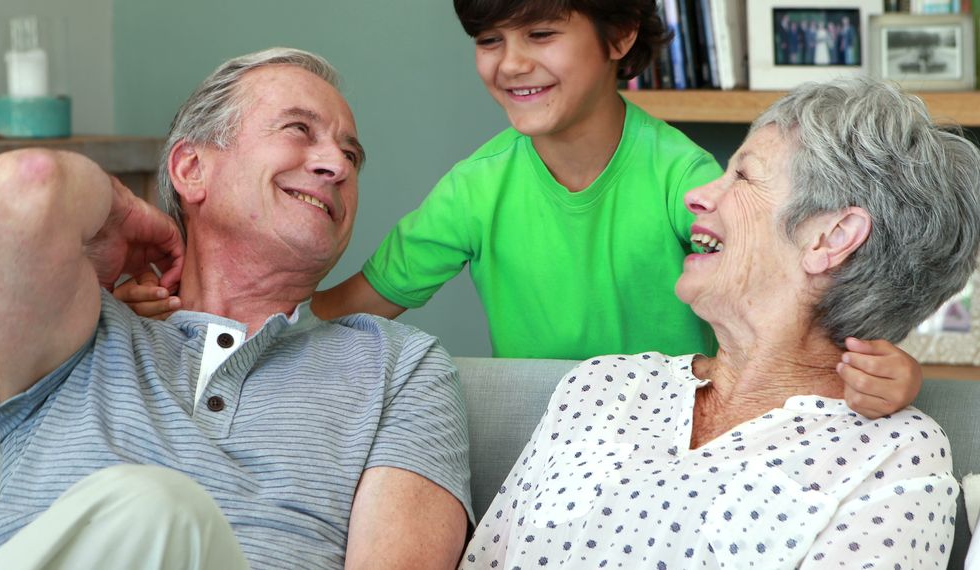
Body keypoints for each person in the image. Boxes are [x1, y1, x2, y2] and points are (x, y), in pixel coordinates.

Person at [118, 0, 922, 416]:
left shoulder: (688, 180)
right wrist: (191, 312)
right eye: (490, 39)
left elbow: (797, 313)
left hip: (678, 435)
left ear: (618, 37)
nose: (510, 64)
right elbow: (341, 308)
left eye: (539, 32)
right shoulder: (477, 188)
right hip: (555, 450)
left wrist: (885, 369)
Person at [0, 48, 471, 570]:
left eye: (351, 156)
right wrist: (121, 211)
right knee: (153, 507)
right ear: (192, 168)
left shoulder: (399, 367)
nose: (336, 165)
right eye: (298, 130)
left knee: (161, 508)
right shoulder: (86, 332)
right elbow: (22, 188)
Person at [461, 77, 978, 568]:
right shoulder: (600, 386)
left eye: (744, 175)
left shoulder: (892, 456)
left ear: (831, 237)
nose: (697, 195)